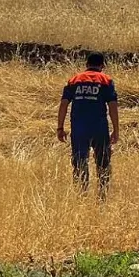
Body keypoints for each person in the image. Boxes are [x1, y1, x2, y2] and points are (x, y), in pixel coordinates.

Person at [57, 52, 119, 198]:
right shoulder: (106, 80)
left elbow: (64, 104)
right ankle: (102, 196)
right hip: (99, 128)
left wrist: (60, 128)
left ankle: (81, 195)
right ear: (102, 65)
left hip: (79, 129)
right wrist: (116, 130)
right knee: (103, 163)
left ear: (86, 64)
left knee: (80, 162)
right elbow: (113, 106)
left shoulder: (74, 80)